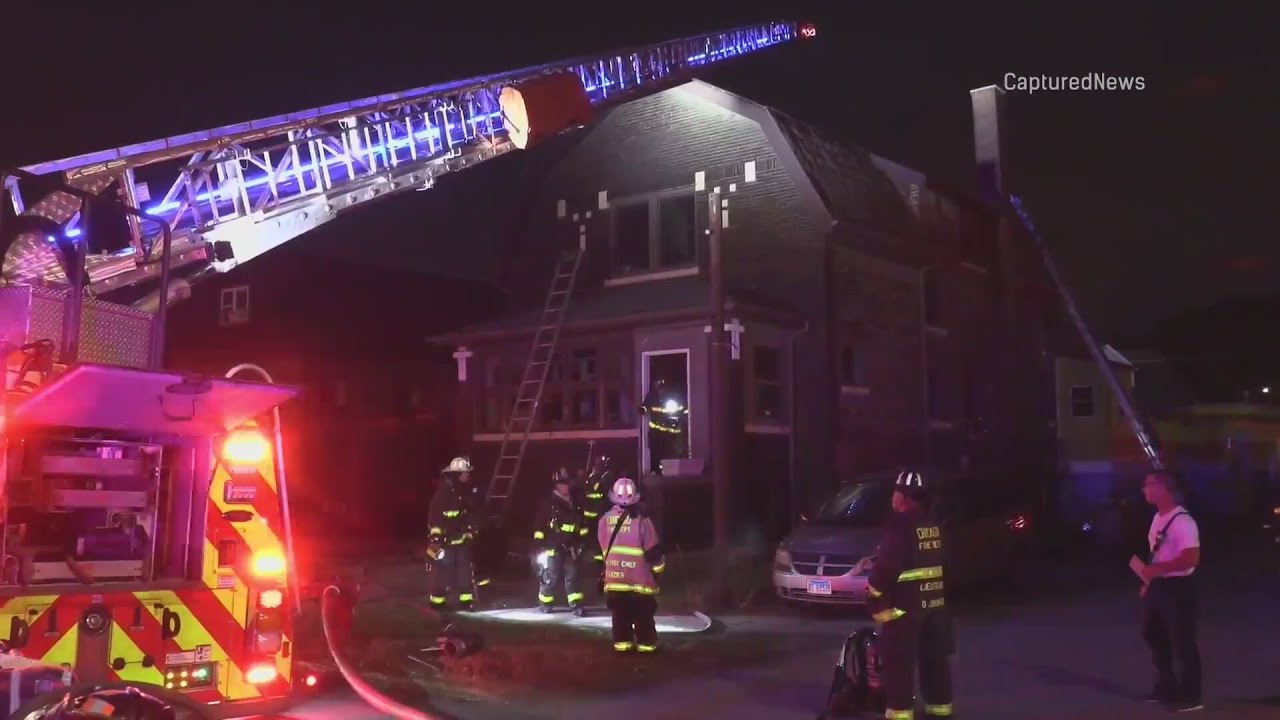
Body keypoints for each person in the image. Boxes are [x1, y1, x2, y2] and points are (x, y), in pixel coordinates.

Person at [856, 470, 953, 719]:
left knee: (899, 666)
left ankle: (900, 714)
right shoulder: (934, 525)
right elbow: (922, 561)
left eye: (895, 492)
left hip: (904, 609)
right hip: (936, 608)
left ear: (905, 497)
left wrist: (872, 593)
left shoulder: (900, 526)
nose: (892, 498)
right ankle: (939, 709)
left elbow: (887, 569)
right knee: (935, 663)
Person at [1136, 470, 1203, 712]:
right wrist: (1148, 582)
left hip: (1178, 587)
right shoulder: (1157, 518)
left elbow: (1191, 558)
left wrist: (1158, 570)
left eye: (1148, 484)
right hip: (1159, 585)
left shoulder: (1183, 521)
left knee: (1183, 640)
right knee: (1154, 635)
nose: (1144, 489)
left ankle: (1192, 695)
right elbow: (1157, 553)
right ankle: (1166, 686)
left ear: (1163, 488)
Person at [598, 476, 665, 653]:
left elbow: (604, 548)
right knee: (644, 617)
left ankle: (623, 647)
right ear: (636, 498)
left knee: (620, 617)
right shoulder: (642, 521)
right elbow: (653, 552)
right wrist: (659, 571)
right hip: (639, 581)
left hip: (614, 579)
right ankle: (647, 647)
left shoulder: (604, 520)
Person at [533, 469, 589, 615]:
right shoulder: (548, 503)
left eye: (567, 483)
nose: (566, 486)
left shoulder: (574, 502)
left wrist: (582, 541)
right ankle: (545, 603)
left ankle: (577, 606)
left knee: (573, 575)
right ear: (556, 485)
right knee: (552, 576)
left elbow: (581, 524)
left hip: (571, 546)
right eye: (562, 484)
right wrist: (539, 545)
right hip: (553, 546)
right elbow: (539, 525)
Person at [426, 457, 478, 611]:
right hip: (445, 542)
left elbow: (467, 515)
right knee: (442, 573)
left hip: (461, 541)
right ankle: (437, 602)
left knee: (465, 573)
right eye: (465, 472)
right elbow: (435, 517)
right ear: (457, 474)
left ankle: (466, 601)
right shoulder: (444, 492)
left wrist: (470, 530)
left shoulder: (463, 491)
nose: (468, 475)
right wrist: (436, 539)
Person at [638, 379, 688, 475]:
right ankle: (655, 471)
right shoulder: (652, 396)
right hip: (656, 433)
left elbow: (683, 410)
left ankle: (670, 472)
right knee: (656, 452)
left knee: (671, 453)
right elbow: (645, 406)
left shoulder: (675, 396)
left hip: (672, 434)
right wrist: (641, 409)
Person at [581, 455, 615, 563]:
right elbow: (586, 494)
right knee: (594, 539)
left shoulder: (607, 477)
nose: (596, 468)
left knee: (603, 538)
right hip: (591, 516)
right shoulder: (591, 478)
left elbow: (604, 493)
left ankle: (603, 560)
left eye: (598, 466)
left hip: (602, 514)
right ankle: (598, 560)